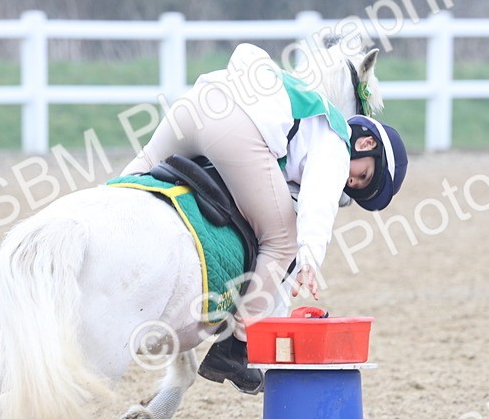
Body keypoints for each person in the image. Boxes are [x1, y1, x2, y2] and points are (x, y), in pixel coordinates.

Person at [120, 43, 408, 394]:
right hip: (232, 127)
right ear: (365, 145)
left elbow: (245, 53)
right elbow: (318, 203)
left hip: (196, 103)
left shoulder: (294, 94)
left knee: (126, 184)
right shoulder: (338, 139)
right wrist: (310, 257)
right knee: (282, 240)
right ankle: (235, 348)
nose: (352, 182)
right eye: (362, 177)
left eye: (359, 186)